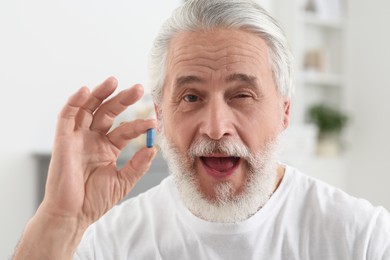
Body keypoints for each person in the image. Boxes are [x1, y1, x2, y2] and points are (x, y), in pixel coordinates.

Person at [13, 0, 390, 259]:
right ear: (160, 115)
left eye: (241, 95)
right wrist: (60, 219)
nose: (215, 127)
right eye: (191, 97)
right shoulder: (110, 241)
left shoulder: (363, 237)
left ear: (284, 113)